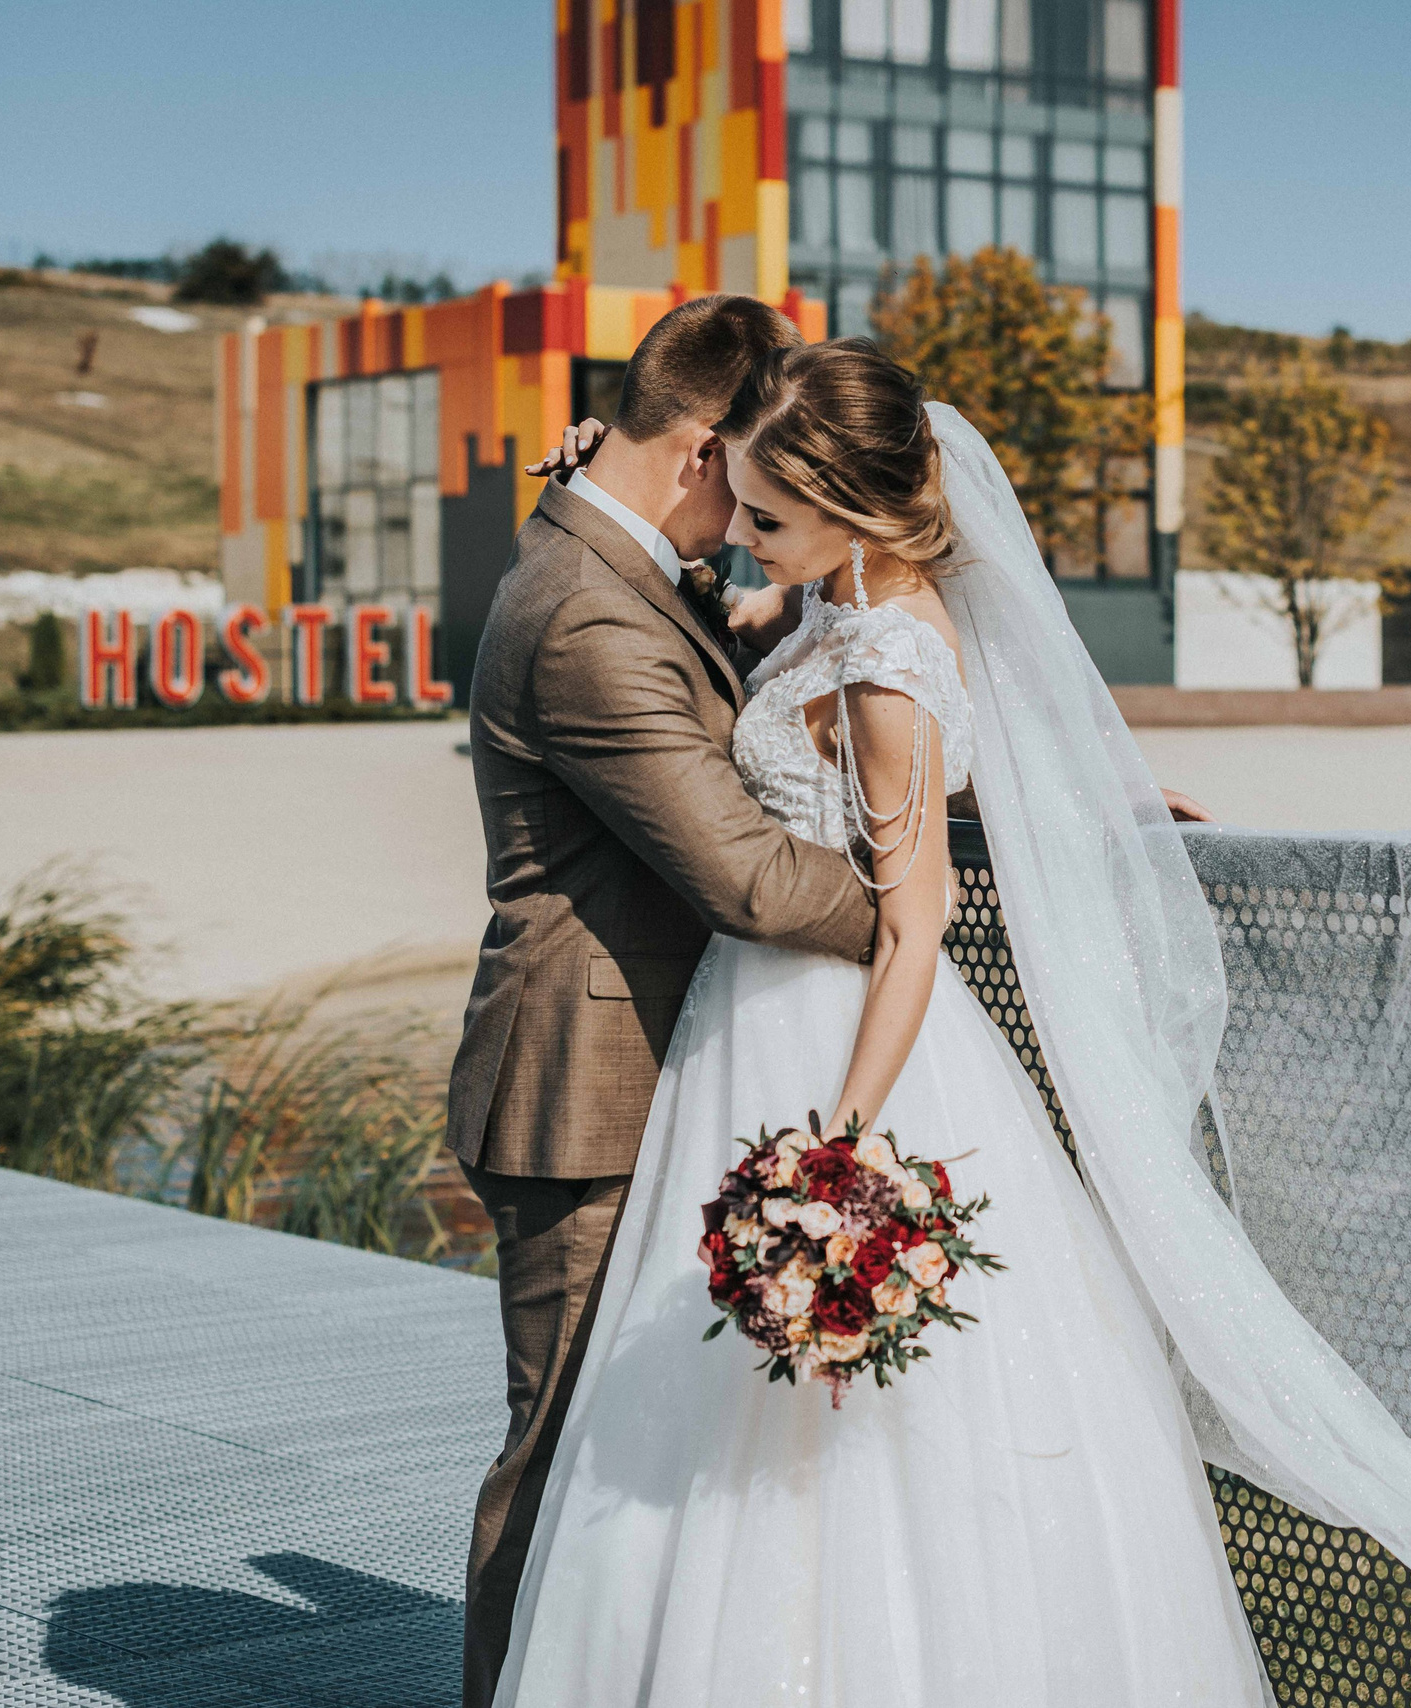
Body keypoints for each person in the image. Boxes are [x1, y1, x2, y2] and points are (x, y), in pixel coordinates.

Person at [453, 298, 1213, 1707]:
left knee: (717, 1474)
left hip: (763, 1057)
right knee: (577, 1472)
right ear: (702, 451)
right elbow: (755, 870)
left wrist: (1000, 831)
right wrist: (927, 884)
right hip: (624, 1073)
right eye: (733, 497)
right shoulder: (594, 606)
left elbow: (861, 763)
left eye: (769, 516)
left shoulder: (685, 582)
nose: (742, 537)